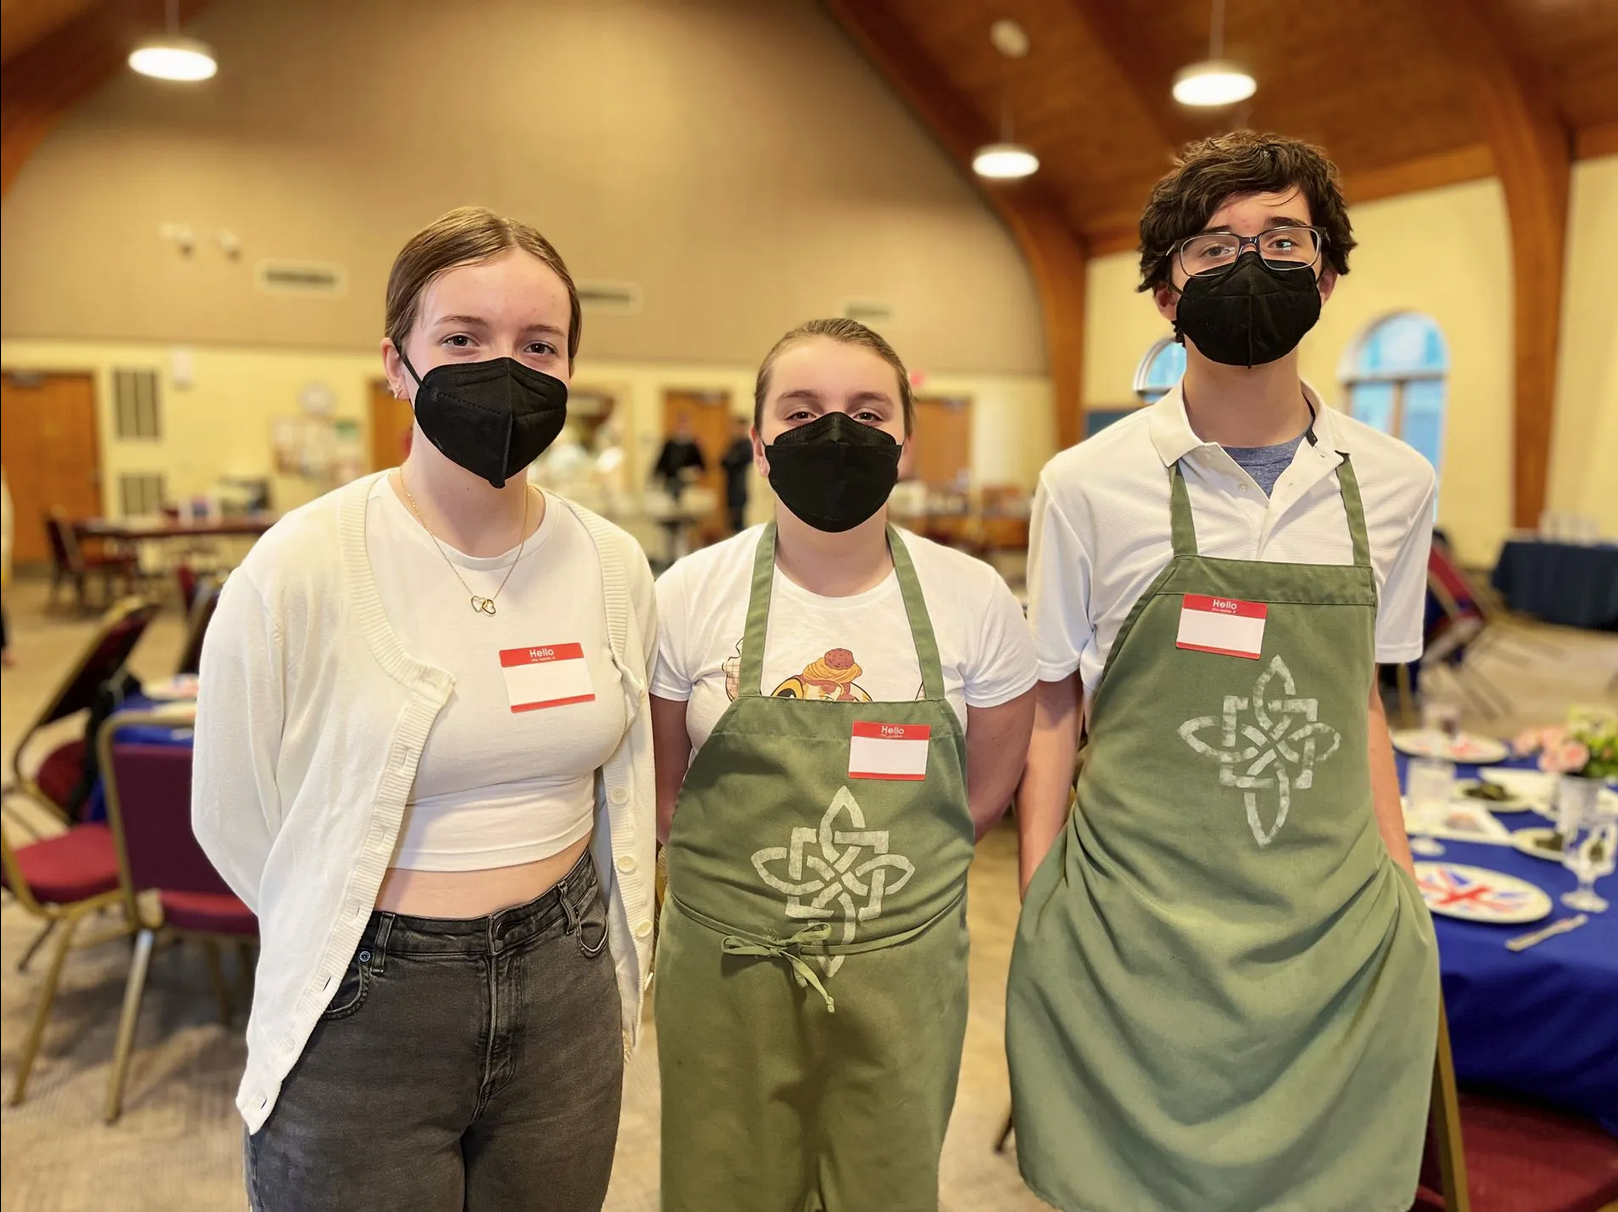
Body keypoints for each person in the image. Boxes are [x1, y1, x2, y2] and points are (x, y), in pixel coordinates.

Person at [1006, 132, 1441, 1212]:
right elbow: (1052, 702)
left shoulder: (1394, 482)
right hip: (1134, 929)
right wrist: (1041, 900)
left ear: (1327, 275)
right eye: (1210, 248)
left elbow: (1364, 704)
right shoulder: (1085, 484)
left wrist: (1403, 891)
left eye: (1281, 239)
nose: (1248, 264)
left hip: (1330, 937)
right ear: (1164, 290)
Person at [193, 207, 656, 1212]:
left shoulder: (614, 565)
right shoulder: (301, 564)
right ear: (397, 364)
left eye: (540, 345)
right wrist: (344, 915)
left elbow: (623, 779)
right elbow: (231, 814)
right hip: (366, 996)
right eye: (462, 339)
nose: (507, 368)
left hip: (566, 978)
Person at [650, 318, 1037, 1212]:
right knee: (721, 1184)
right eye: (802, 410)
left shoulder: (971, 599)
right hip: (727, 975)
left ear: (904, 440)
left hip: (901, 973)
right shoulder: (688, 595)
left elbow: (979, 798)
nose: (836, 432)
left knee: (885, 1187)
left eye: (867, 411)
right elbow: (666, 799)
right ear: (757, 441)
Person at [652, 413, 707, 502]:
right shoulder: (669, 443)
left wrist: (692, 471)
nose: (682, 426)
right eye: (680, 423)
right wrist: (657, 474)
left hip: (688, 483)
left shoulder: (693, 445)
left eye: (685, 423)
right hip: (670, 480)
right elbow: (662, 461)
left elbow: (701, 466)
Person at [719, 413, 753, 533]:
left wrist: (731, 460)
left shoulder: (747, 445)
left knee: (739, 522)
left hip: (739, 488)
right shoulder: (732, 443)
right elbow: (723, 462)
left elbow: (740, 460)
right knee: (731, 521)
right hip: (730, 487)